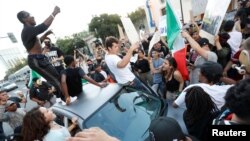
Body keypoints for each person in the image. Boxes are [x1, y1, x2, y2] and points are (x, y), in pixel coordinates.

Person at [17, 6, 62, 99]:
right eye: (29, 15)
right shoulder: (27, 30)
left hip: (40, 58)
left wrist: (45, 35)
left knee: (56, 76)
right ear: (24, 19)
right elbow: (43, 26)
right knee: (54, 79)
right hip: (35, 60)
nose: (32, 17)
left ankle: (62, 96)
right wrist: (54, 13)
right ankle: (64, 97)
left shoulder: (30, 32)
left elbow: (36, 44)